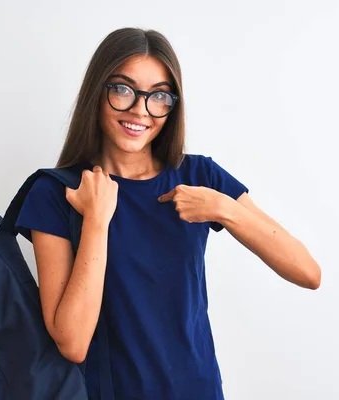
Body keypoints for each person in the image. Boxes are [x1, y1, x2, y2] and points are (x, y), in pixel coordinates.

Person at [16, 27, 321, 400]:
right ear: (98, 92)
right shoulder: (57, 192)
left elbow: (307, 272)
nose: (139, 110)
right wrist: (96, 220)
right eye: (123, 90)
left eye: (158, 96)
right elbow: (73, 343)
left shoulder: (200, 177)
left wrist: (223, 208)